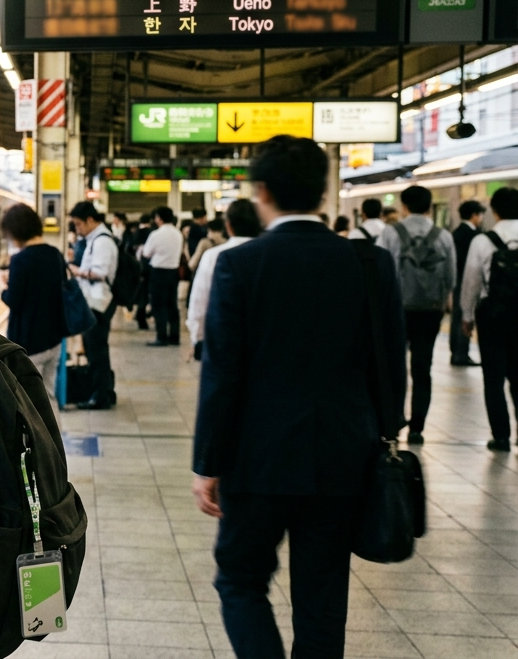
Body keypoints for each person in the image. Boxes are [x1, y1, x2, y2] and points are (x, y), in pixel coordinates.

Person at [193, 135, 406, 659]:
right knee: (323, 597)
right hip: (344, 457)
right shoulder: (370, 265)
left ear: (261, 190)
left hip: (257, 458)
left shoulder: (240, 265)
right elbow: (392, 367)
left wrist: (208, 464)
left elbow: (223, 376)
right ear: (324, 189)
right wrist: (383, 436)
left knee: (240, 581)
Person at [377, 185, 455, 445]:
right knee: (423, 368)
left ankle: (394, 421)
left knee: (394, 366)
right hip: (429, 311)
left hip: (397, 309)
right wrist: (443, 301)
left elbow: (380, 271)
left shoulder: (390, 233)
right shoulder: (443, 236)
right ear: (430, 207)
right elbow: (450, 276)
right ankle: (418, 428)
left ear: (404, 206)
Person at [460, 187, 518, 451]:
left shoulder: (482, 241)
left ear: (493, 211)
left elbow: (471, 282)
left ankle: (501, 436)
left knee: (493, 379)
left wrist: (467, 316)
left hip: (492, 317)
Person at [0, 204, 68, 403]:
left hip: (29, 342)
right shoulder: (55, 254)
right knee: (49, 397)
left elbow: (14, 300)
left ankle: (34, 435)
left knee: (28, 401)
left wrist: (2, 285)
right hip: (54, 339)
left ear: (16, 231)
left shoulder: (20, 260)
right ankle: (55, 434)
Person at [187, 200, 261, 359]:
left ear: (228, 226)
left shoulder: (214, 256)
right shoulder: (272, 254)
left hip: (224, 338)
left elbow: (200, 300)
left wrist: (198, 338)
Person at [69, 201, 119, 409]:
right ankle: (104, 391)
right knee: (95, 349)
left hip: (99, 302)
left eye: (79, 224)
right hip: (94, 301)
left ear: (91, 220)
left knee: (96, 350)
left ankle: (100, 396)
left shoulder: (102, 241)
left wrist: (76, 271)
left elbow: (100, 273)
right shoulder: (94, 239)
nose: (77, 229)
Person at [141, 206, 183, 346]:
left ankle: (162, 336)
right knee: (172, 304)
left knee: (159, 305)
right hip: (173, 272)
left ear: (158, 218)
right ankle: (175, 336)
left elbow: (146, 253)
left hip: (158, 272)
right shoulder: (178, 234)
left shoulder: (156, 234)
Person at [450, 199, 486, 366]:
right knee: (466, 314)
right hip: (468, 281)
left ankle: (455, 351)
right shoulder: (474, 236)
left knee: (457, 316)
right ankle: (461, 354)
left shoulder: (455, 233)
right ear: (474, 216)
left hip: (457, 280)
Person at [132, 213, 154, 329]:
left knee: (142, 293)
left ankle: (140, 316)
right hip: (149, 267)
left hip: (138, 267)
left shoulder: (136, 233)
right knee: (147, 294)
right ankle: (143, 316)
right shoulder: (152, 233)